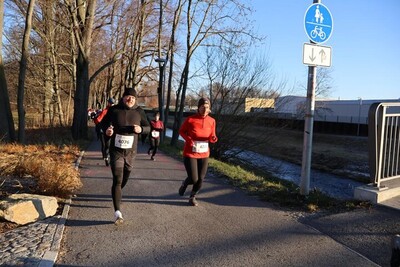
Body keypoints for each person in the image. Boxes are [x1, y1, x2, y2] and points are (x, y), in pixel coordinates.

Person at [100, 88, 150, 224]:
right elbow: (103, 123)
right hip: (116, 151)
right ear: (123, 97)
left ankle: (117, 193)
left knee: (125, 177)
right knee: (117, 178)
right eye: (128, 97)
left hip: (131, 153)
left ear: (135, 99)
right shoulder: (114, 110)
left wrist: (141, 129)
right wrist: (107, 130)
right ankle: (117, 213)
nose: (130, 99)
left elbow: (148, 127)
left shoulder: (139, 111)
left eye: (133, 98)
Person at [178, 97, 218, 206]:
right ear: (198, 108)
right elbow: (181, 131)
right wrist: (189, 139)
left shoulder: (212, 121)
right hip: (190, 152)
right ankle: (184, 183)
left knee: (201, 178)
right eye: (202, 107)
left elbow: (212, 135)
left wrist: (213, 138)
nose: (205, 110)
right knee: (193, 178)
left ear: (209, 109)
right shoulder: (190, 119)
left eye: (207, 107)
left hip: (204, 153)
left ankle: (193, 197)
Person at [94, 98, 115, 166]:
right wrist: (97, 122)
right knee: (104, 144)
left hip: (111, 130)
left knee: (110, 145)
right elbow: (98, 120)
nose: (111, 104)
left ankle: (108, 156)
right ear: (108, 103)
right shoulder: (105, 111)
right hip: (103, 130)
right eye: (110, 103)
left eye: (113, 103)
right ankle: (105, 156)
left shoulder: (115, 111)